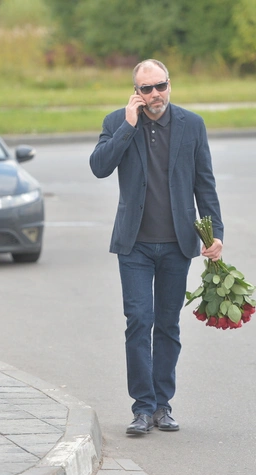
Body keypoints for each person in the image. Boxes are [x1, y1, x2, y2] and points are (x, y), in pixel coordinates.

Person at [89, 59, 224, 435]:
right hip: (134, 245)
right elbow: (99, 167)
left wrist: (215, 233)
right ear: (136, 92)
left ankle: (162, 405)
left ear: (169, 85)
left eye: (159, 86)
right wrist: (128, 129)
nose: (154, 96)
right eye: (145, 89)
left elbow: (205, 183)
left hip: (178, 244)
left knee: (166, 325)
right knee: (138, 322)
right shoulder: (118, 122)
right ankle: (142, 408)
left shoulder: (191, 125)